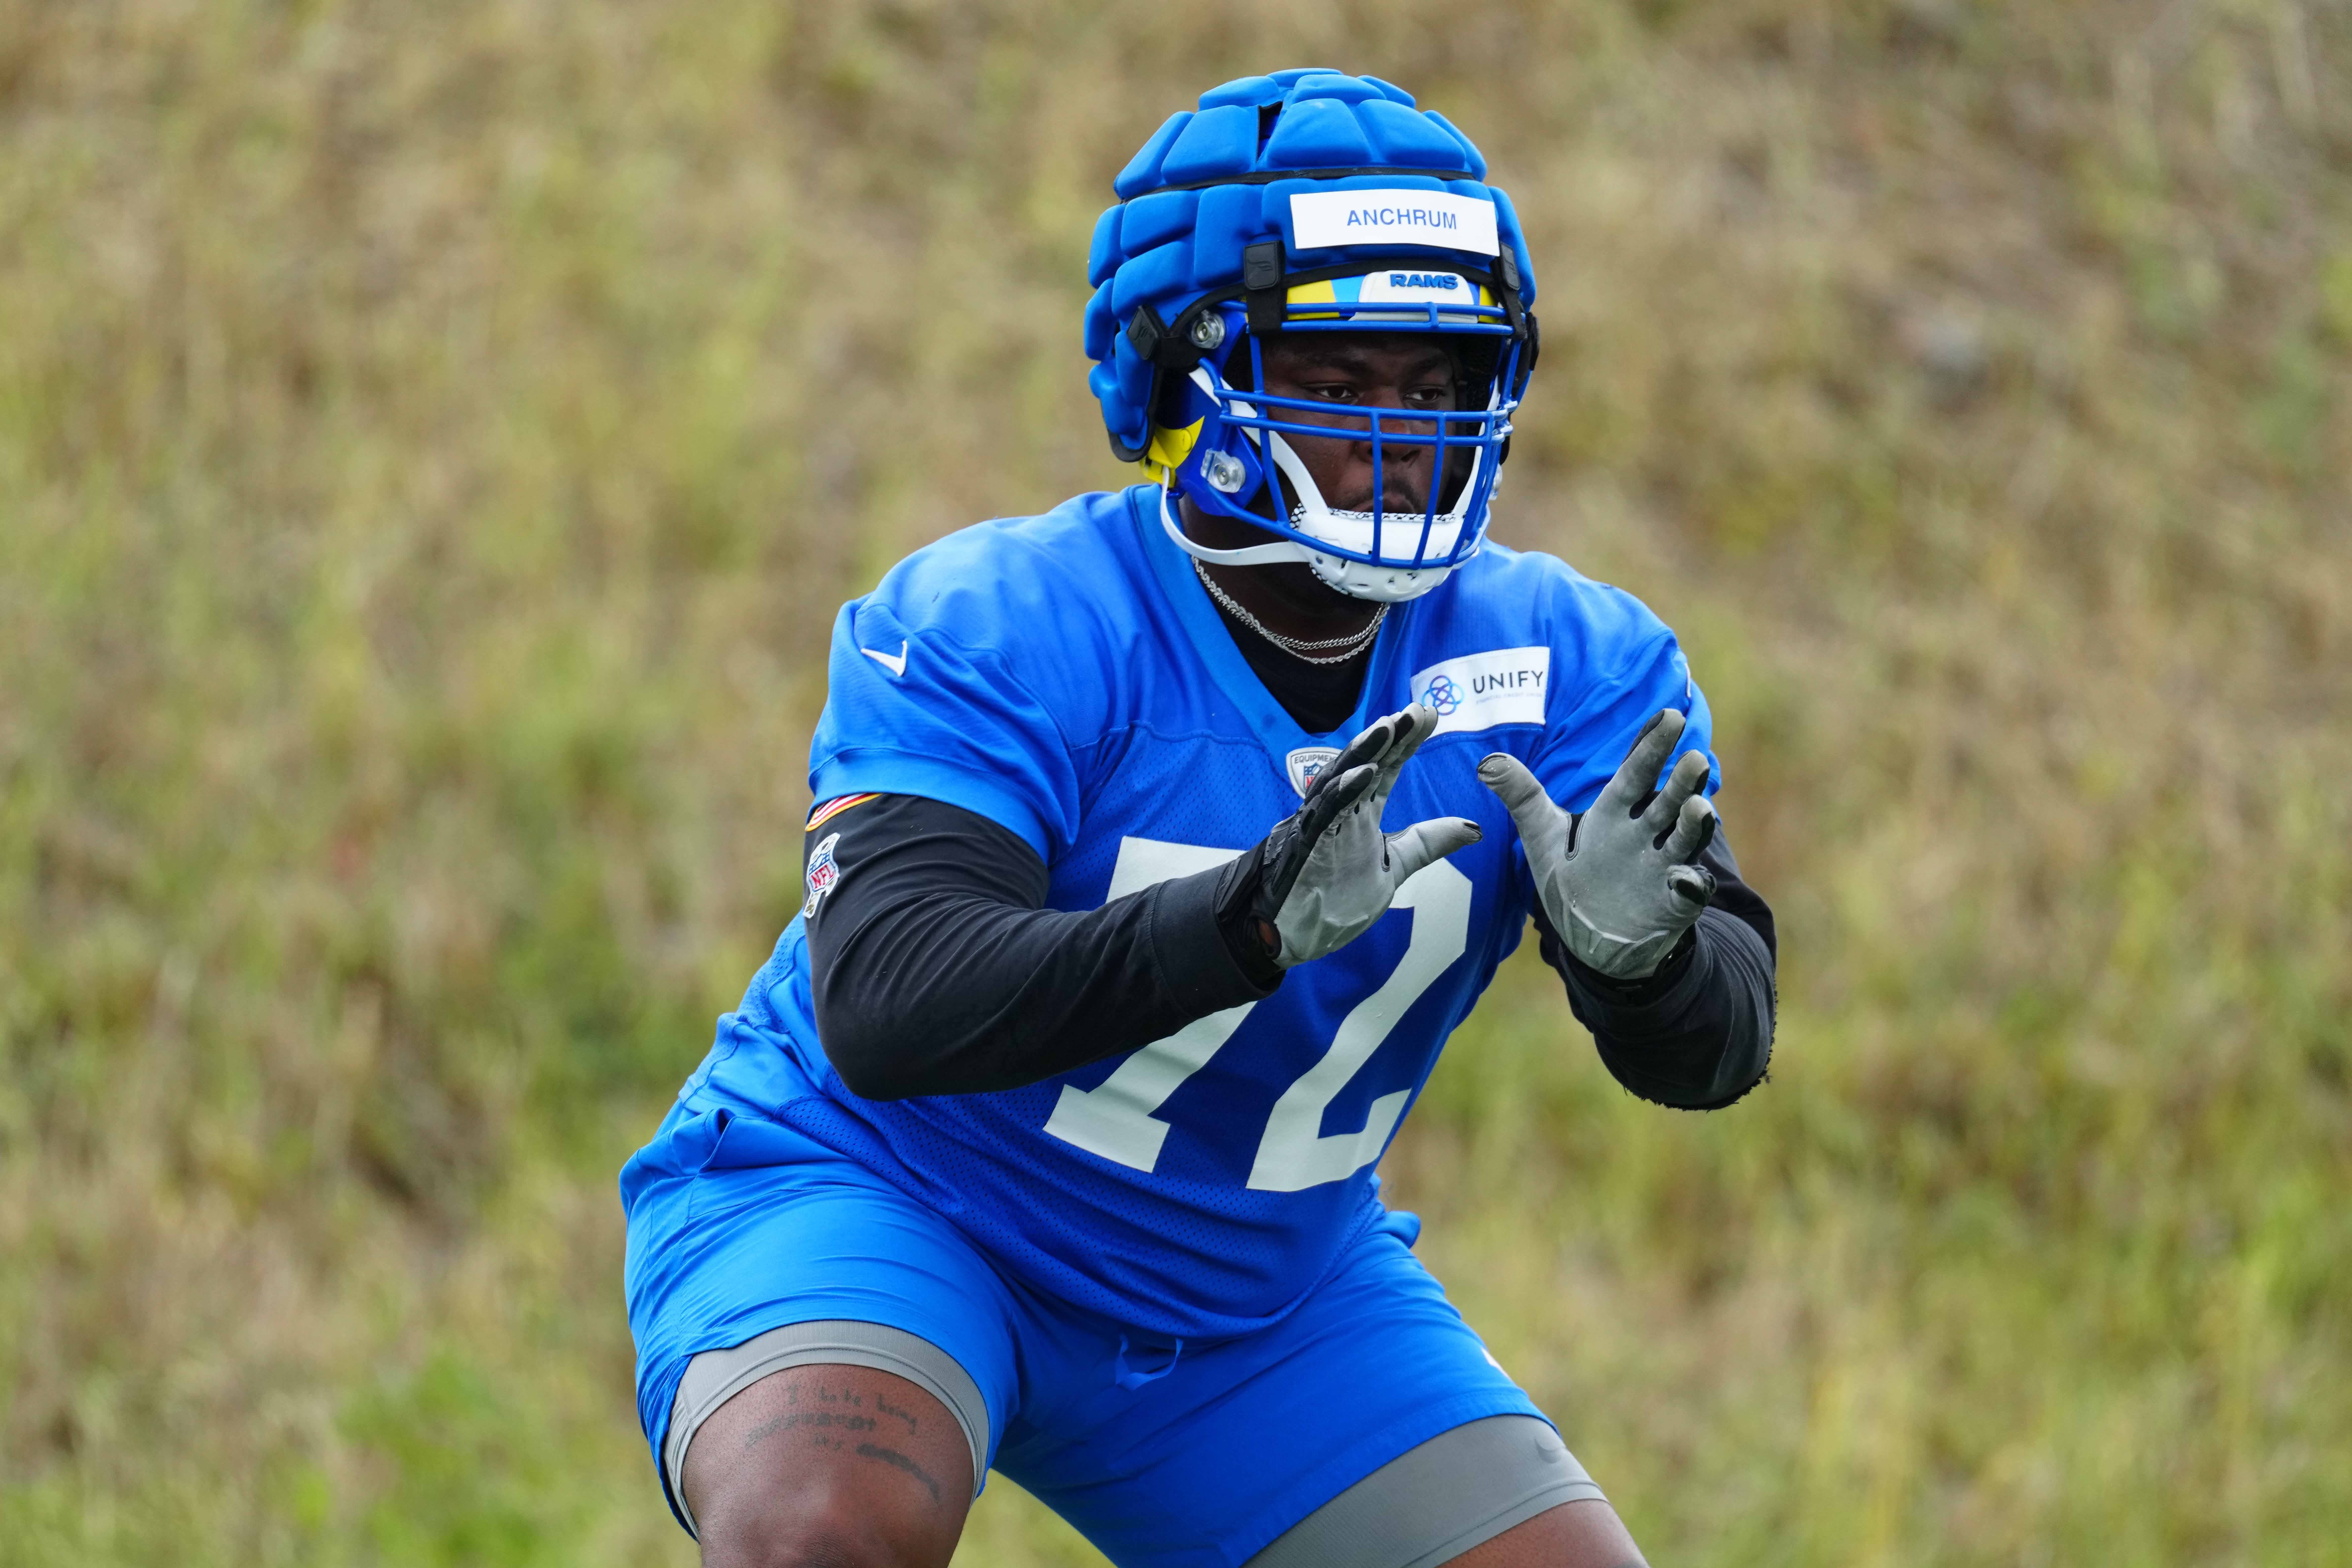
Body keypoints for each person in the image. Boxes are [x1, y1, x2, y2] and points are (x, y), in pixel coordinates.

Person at [621, 68, 1776, 1568]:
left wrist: (1647, 971)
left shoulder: (1573, 663)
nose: (1397, 436)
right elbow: (889, 1004)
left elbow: (1722, 1047)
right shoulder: (1011, 618)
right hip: (896, 1204)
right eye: (1338, 377)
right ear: (1186, 375)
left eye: (1436, 386)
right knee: (824, 1533)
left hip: (1264, 1299)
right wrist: (1235, 927)